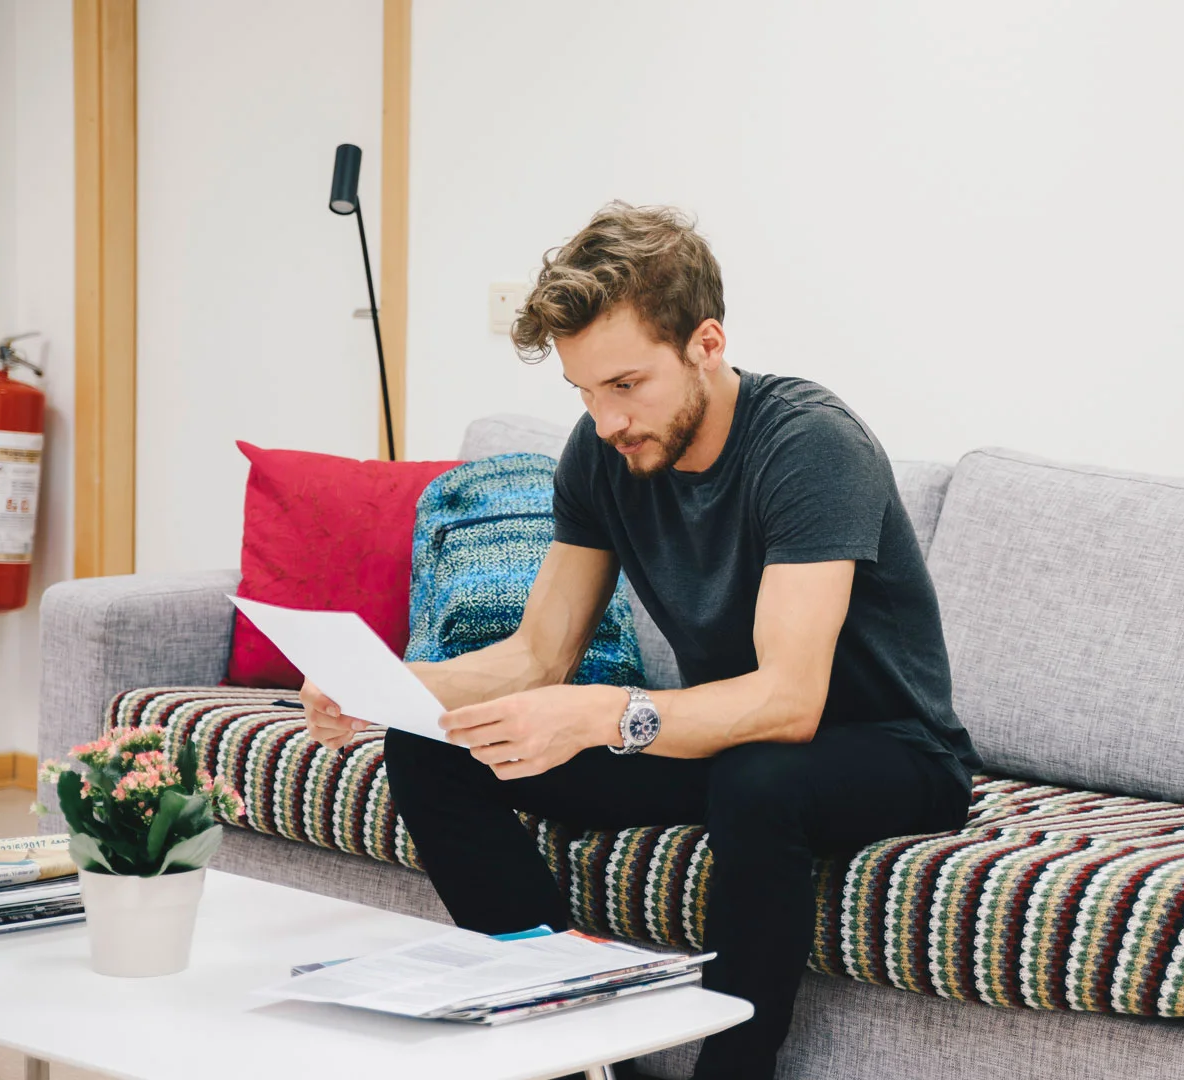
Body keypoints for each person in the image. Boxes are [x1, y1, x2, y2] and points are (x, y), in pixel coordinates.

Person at [299, 202, 982, 1080]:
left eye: (626, 385)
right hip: (719, 747)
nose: (606, 418)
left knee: (760, 779)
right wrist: (392, 686)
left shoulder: (810, 447)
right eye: (584, 392)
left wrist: (604, 714)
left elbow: (788, 698)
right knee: (434, 750)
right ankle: (569, 1036)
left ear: (706, 343)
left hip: (886, 753)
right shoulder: (602, 455)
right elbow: (536, 656)